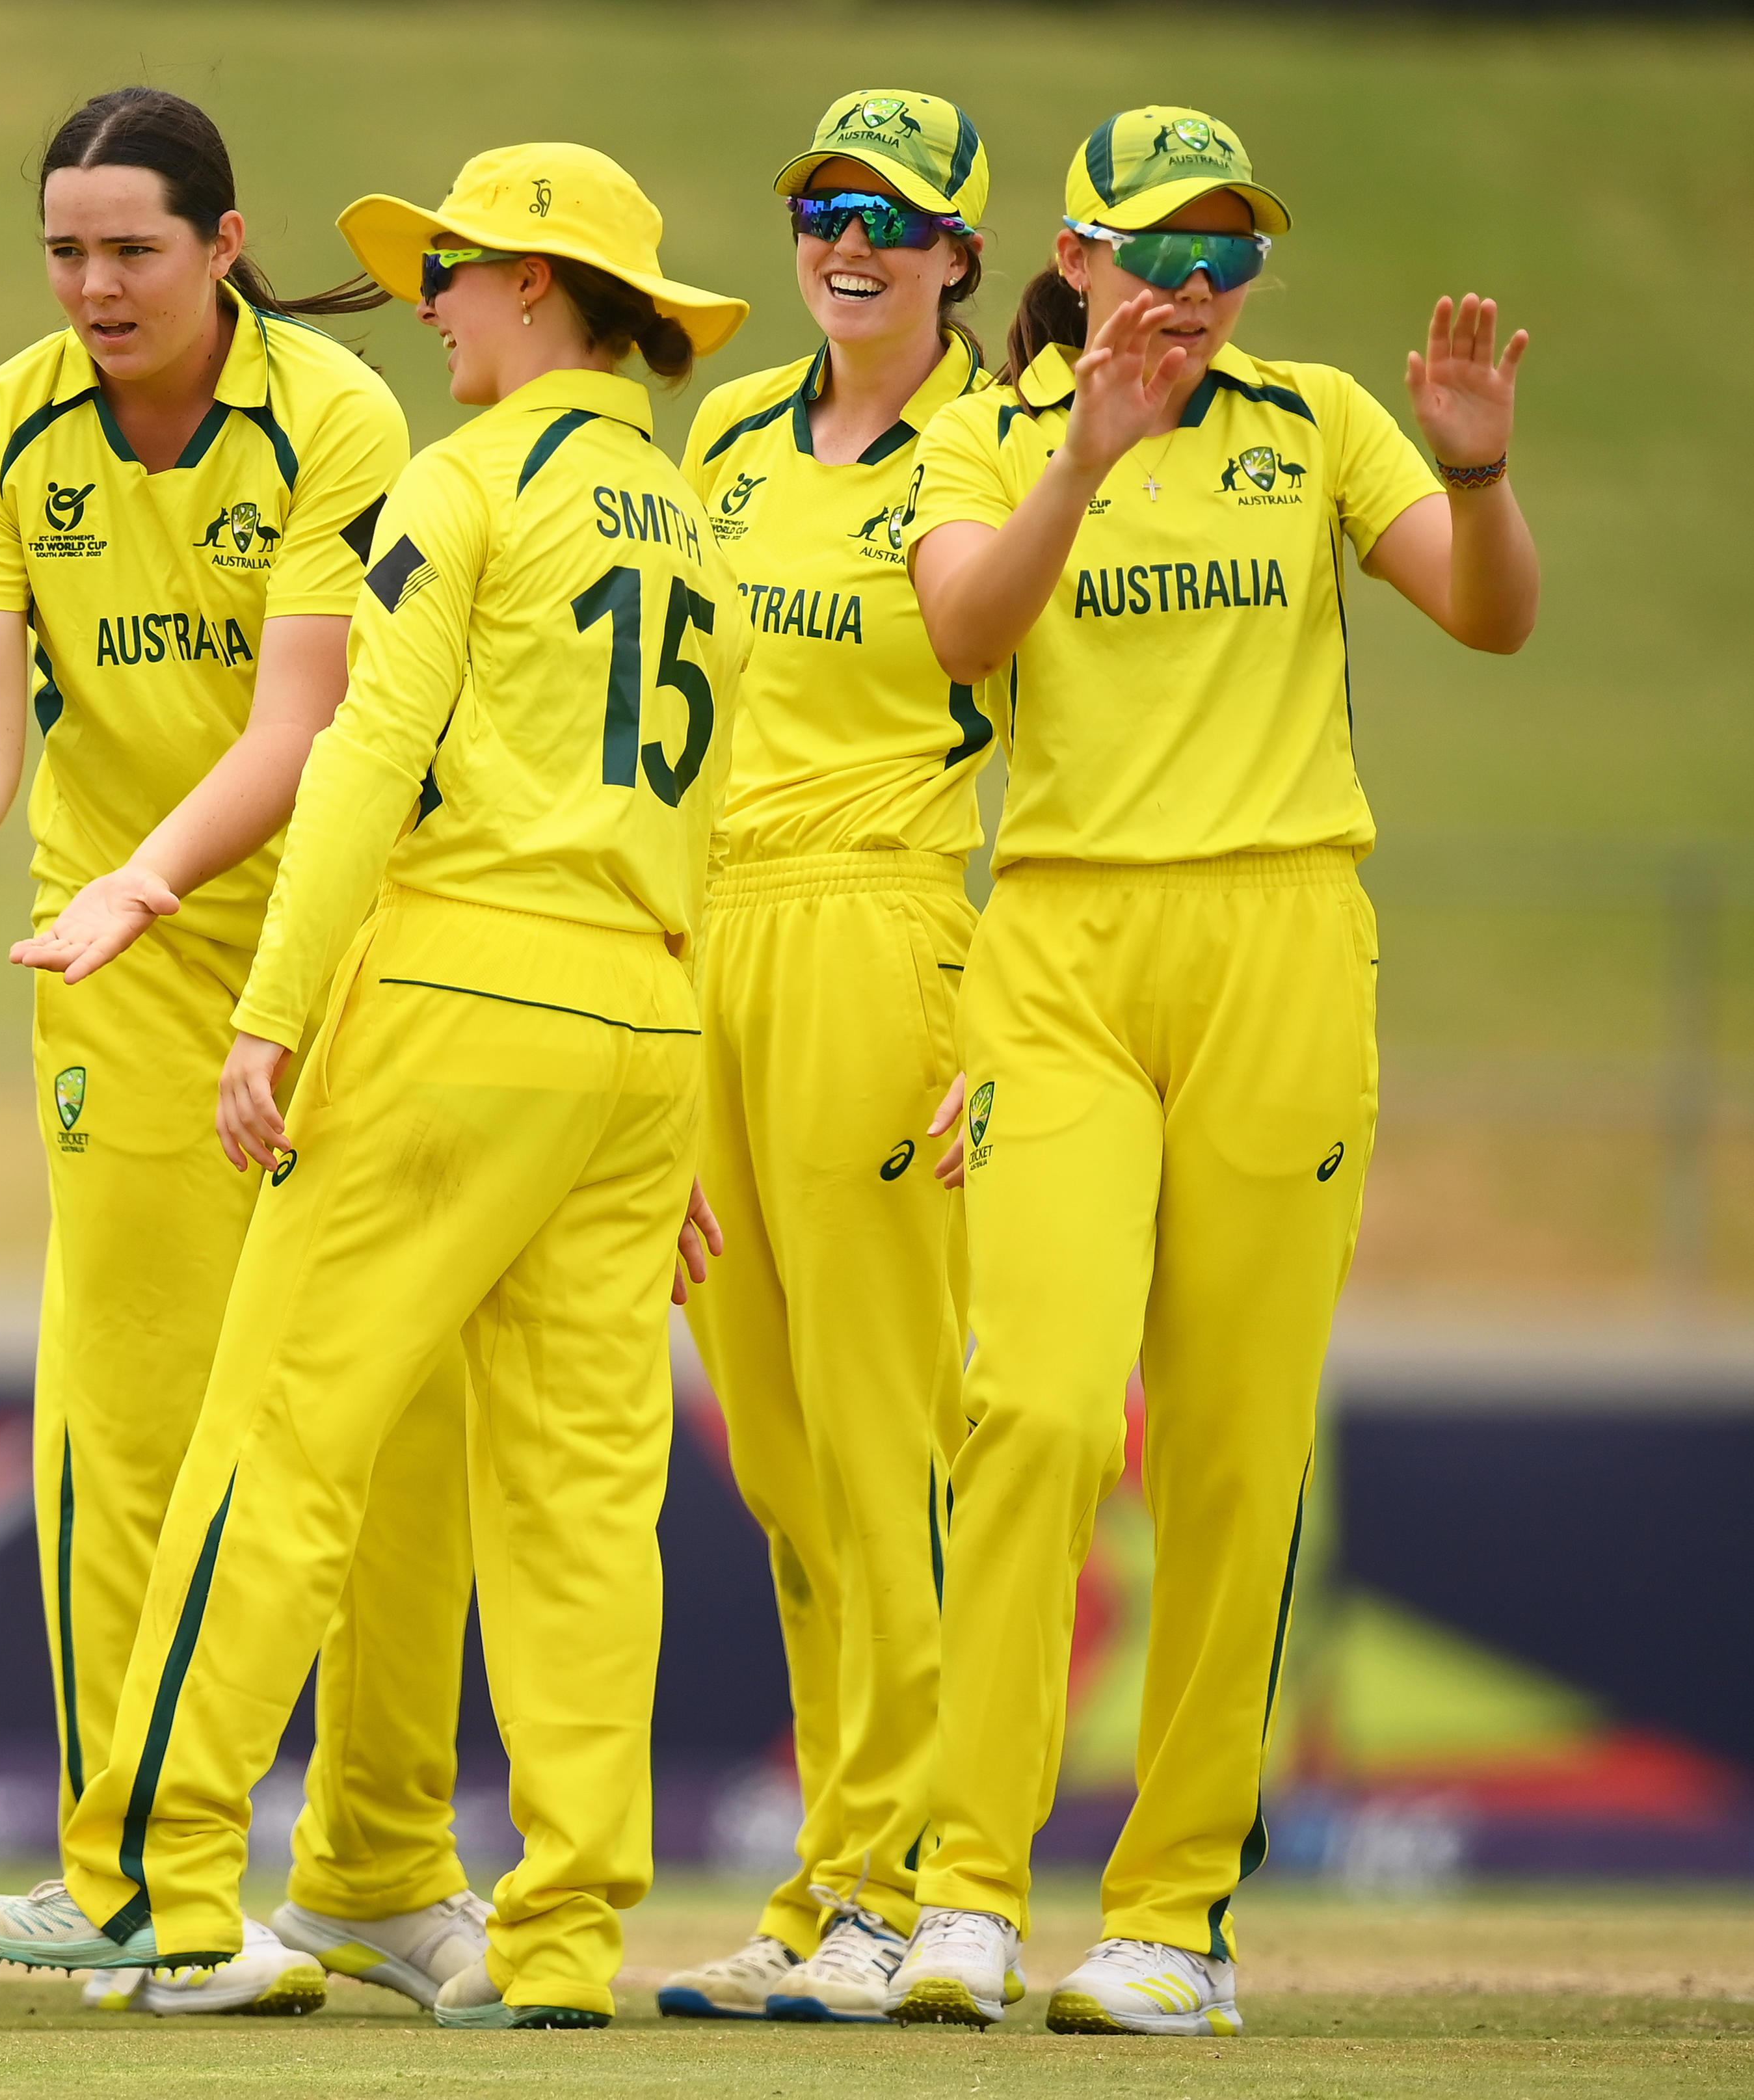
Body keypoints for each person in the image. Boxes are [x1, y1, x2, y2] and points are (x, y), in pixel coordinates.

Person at [0, 142, 750, 2032]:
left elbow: (358, 763)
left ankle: (151, 1881)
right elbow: (712, 828)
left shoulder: (461, 479)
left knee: (279, 1441)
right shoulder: (694, 513)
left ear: (544, 290)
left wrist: (275, 1015)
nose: (430, 306)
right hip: (641, 1034)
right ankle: (559, 1946)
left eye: (456, 272)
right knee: (576, 1510)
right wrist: (692, 1111)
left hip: (461, 995)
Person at [0, 87, 478, 2015]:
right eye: (65, 250)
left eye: (132, 250)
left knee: (389, 1430)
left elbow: (302, 722)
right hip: (126, 967)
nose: (92, 285)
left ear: (224, 247)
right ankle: (139, 1886)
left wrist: (146, 882)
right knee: (132, 1416)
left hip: (352, 943)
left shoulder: (338, 414)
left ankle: (381, 1873)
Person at [881, 106, 1537, 2038]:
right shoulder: (979, 433)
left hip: (1282, 942)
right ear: (1073, 263)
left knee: (1239, 1451)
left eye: (1228, 254)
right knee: (1046, 1415)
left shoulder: (1320, 420)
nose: (1191, 288)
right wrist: (1086, 453)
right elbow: (963, 636)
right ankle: (967, 1895)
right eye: (1156, 250)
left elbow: (1493, 619)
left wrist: (1481, 478)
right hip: (1063, 948)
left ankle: (1171, 1922)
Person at [651, 90, 994, 2026]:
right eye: (821, 206)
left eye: (893, 215)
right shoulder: (727, 433)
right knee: (776, 1456)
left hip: (887, 930)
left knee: (883, 1441)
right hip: (718, 947)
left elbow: (1072, 736)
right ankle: (828, 1878)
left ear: (959, 253)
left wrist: (1010, 1007)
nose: (848, 242)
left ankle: (920, 1884)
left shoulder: (998, 451)